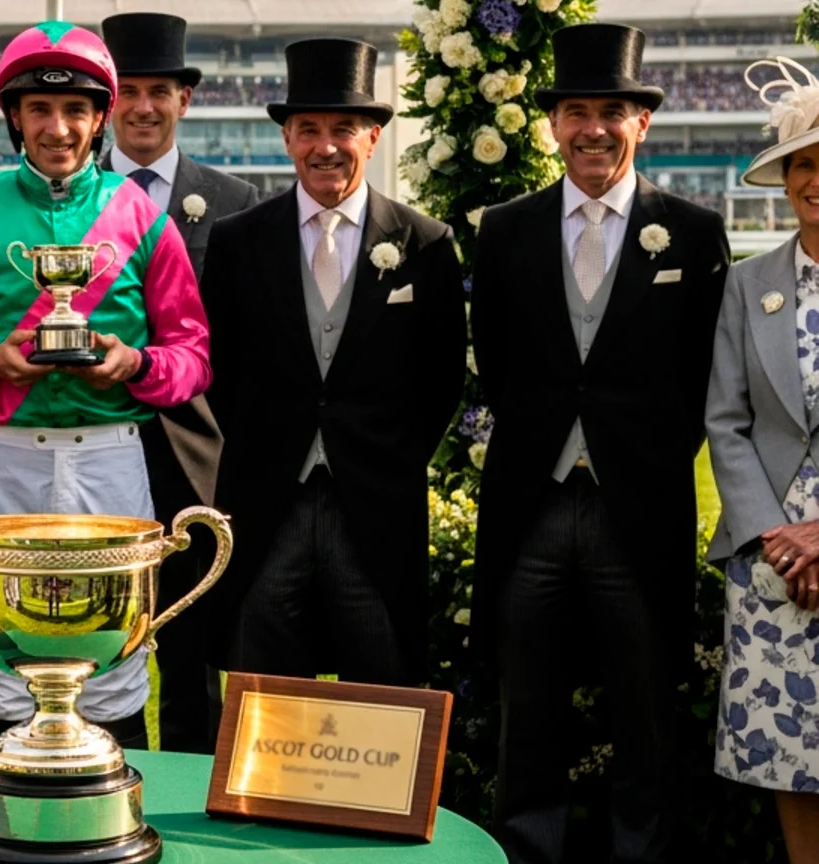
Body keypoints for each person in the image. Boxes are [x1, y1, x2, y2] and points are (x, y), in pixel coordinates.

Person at [0, 20, 210, 752]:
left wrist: (136, 365)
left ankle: (116, 805)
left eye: (76, 109)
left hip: (113, 455)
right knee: (7, 657)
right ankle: (3, 808)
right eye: (39, 109)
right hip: (7, 459)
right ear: (14, 116)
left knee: (114, 657)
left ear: (100, 117)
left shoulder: (144, 217)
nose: (58, 128)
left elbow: (193, 355)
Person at [469, 23, 729, 864]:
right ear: (552, 124)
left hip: (639, 510)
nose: (593, 130)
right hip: (533, 504)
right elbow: (496, 360)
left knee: (644, 707)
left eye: (611, 112)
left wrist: (640, 458)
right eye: (576, 112)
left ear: (641, 123)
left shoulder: (692, 232)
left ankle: (639, 855)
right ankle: (526, 853)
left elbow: (704, 376)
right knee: (527, 707)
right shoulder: (506, 230)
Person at [202, 38, 465, 688]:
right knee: (260, 678)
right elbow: (218, 368)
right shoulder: (238, 241)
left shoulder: (425, 243)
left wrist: (386, 453)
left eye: (343, 128)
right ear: (287, 138)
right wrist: (266, 443)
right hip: (266, 499)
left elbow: (440, 378)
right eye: (309, 129)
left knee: (379, 675)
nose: (326, 147)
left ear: (372, 137)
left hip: (376, 504)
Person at [97, 11, 259, 755]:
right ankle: (98, 780)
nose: (143, 107)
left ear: (184, 100)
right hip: (91, 453)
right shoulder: (64, 195)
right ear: (108, 102)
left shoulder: (234, 203)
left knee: (193, 652)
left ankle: (192, 791)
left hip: (195, 460)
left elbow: (248, 347)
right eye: (127, 91)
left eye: (158, 91)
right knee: (97, 645)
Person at [704, 55, 819, 863]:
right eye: (803, 164)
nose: (816, 180)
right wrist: (776, 537)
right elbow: (726, 419)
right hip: (772, 556)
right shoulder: (750, 284)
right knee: (790, 748)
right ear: (783, 180)